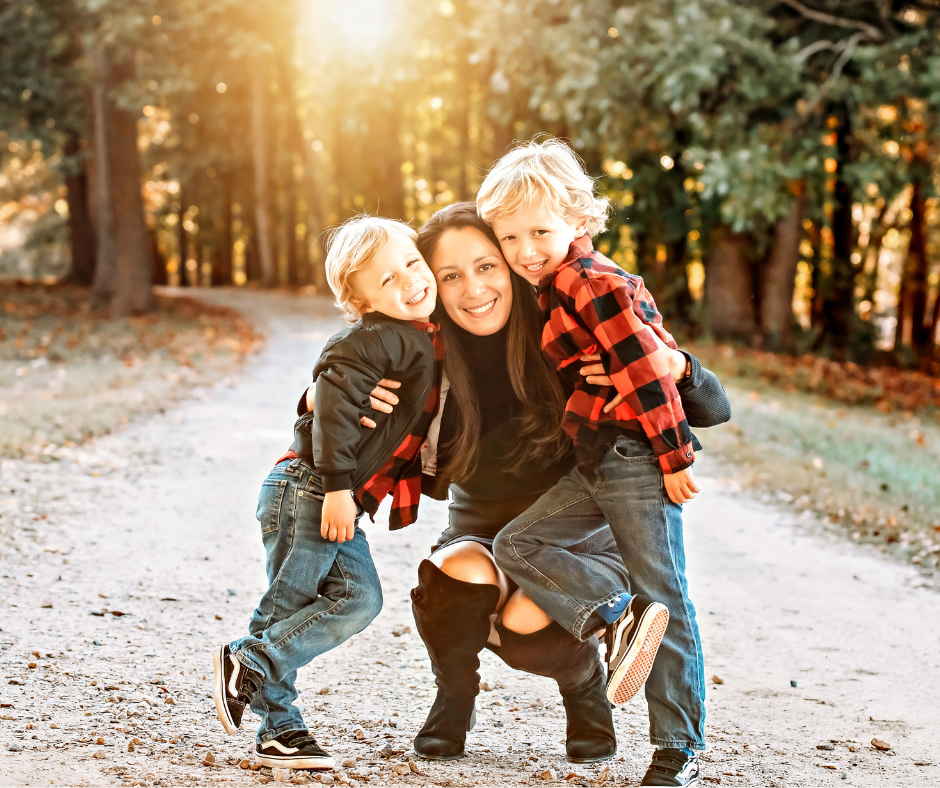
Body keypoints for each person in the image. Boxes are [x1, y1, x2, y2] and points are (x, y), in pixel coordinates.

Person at [374, 203, 728, 772]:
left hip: (574, 547)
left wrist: (677, 365)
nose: (473, 289)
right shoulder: (425, 351)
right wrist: (317, 401)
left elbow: (712, 406)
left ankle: (585, 687)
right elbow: (341, 400)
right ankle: (454, 697)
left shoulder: (570, 328)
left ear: (513, 266)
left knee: (526, 627)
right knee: (453, 576)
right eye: (451, 276)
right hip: (482, 536)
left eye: (487, 266)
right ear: (432, 285)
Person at [477, 138, 712, 786]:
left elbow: (647, 373)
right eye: (509, 236)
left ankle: (677, 749)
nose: (524, 249)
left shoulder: (591, 282)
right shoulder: (553, 288)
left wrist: (674, 454)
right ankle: (617, 615)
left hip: (637, 457)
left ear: (578, 221)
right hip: (599, 462)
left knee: (667, 597)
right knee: (519, 543)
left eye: (540, 231)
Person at [212, 215, 443, 771]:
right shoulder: (382, 337)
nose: (409, 280)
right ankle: (277, 719)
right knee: (290, 602)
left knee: (359, 599)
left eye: (412, 263)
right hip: (312, 486)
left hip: (329, 494)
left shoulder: (421, 333)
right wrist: (339, 488)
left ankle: (258, 671)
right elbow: (332, 399)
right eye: (386, 281)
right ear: (360, 301)